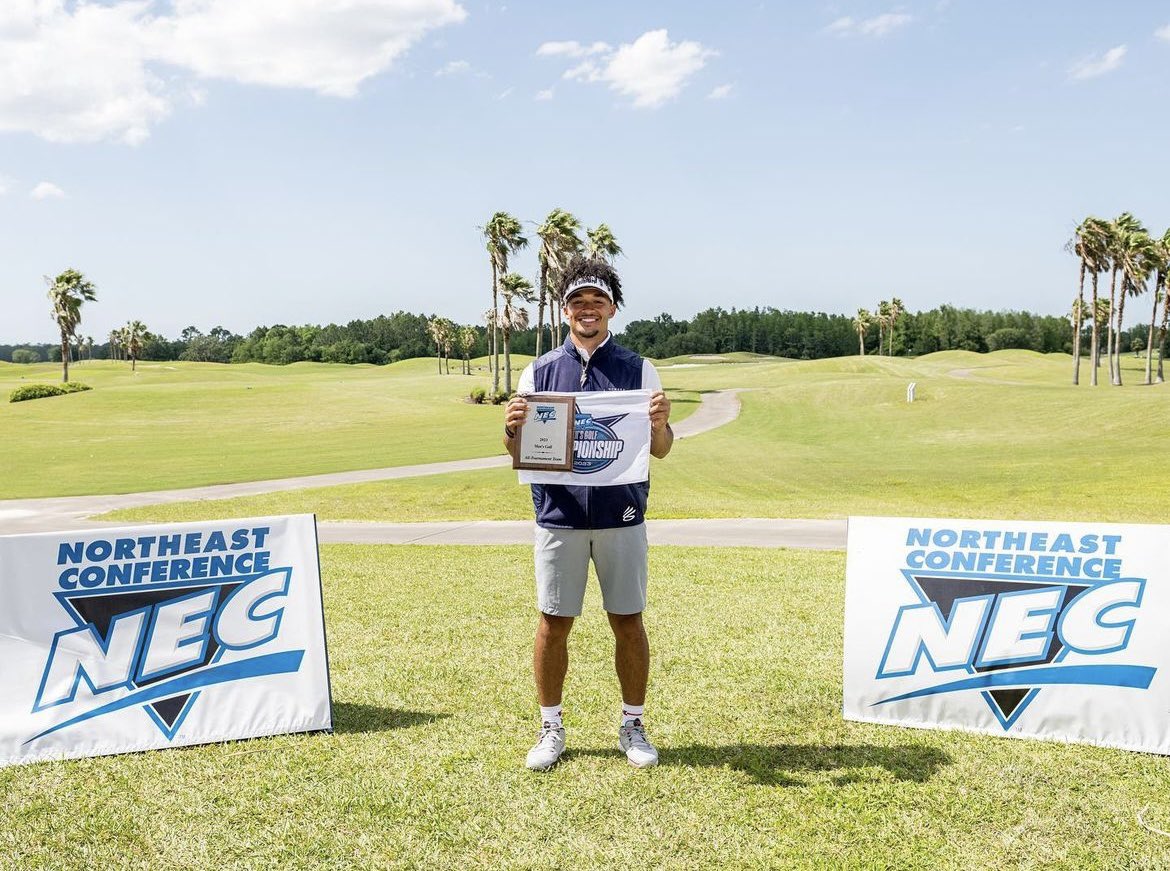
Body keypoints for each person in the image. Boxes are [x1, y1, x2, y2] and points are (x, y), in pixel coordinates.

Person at [503, 254, 673, 771]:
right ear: (565, 310)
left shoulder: (638, 368)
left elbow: (660, 448)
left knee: (628, 620)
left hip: (622, 513)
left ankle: (632, 723)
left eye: (597, 301)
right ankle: (550, 726)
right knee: (554, 622)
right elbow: (520, 454)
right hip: (560, 516)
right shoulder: (541, 370)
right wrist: (511, 429)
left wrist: (662, 423)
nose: (588, 310)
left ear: (612, 309)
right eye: (578, 302)